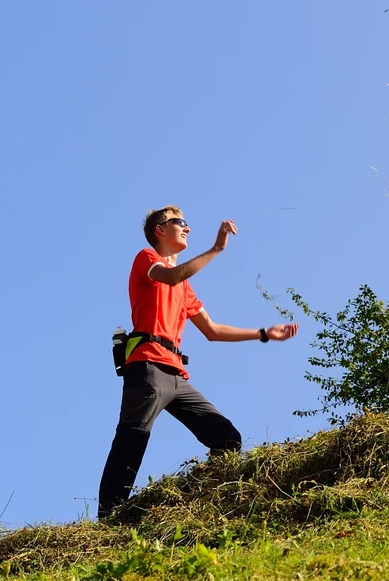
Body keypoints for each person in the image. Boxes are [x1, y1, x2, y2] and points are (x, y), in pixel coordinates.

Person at [97, 206, 299, 520]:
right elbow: (173, 274)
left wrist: (263, 333)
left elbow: (212, 330)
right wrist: (217, 249)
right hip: (147, 367)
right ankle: (109, 517)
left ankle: (203, 500)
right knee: (132, 439)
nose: (187, 228)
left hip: (177, 376)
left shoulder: (185, 288)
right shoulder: (147, 259)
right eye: (180, 222)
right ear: (160, 231)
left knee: (227, 438)